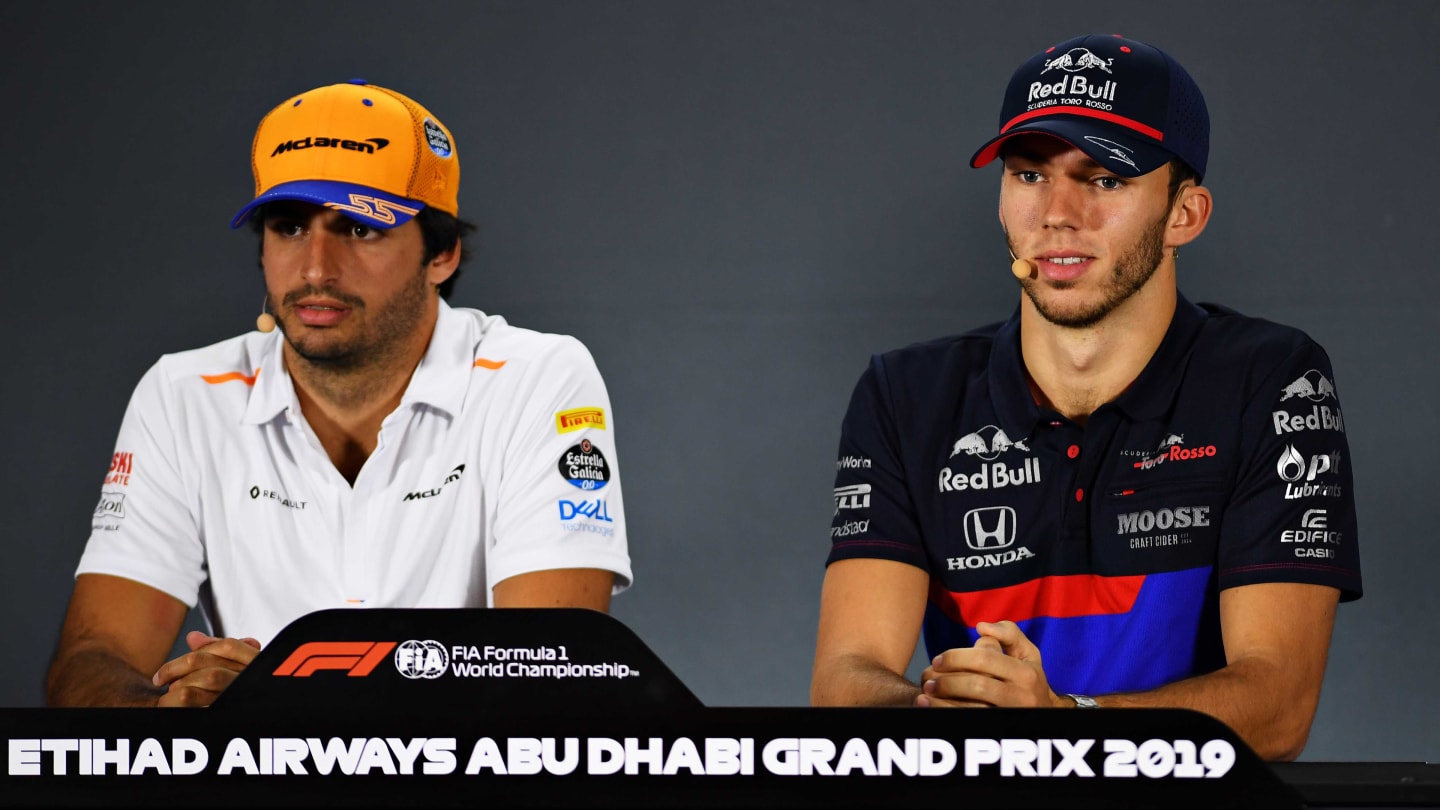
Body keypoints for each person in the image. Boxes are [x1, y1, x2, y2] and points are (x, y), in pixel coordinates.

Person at [810, 34, 1360, 761]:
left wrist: (1059, 724)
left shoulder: (1272, 379)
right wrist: (944, 706)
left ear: (1185, 214)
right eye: (1029, 175)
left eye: (1103, 178)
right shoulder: (906, 394)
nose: (1058, 213)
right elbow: (844, 681)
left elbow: (1279, 704)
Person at [48, 80, 632, 707]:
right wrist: (168, 716)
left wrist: (288, 704)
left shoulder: (536, 379)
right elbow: (91, 660)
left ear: (442, 254)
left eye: (358, 228)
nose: (316, 268)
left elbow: (552, 675)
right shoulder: (182, 395)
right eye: (290, 226)